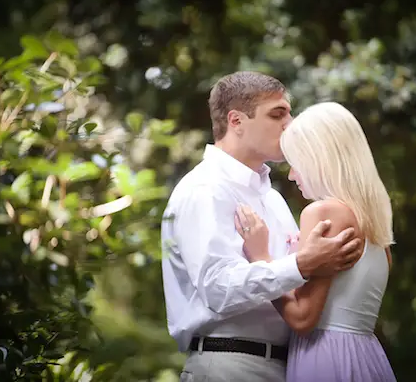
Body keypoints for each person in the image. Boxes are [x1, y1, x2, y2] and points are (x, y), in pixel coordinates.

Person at [161, 72, 364, 382]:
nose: (290, 124)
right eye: (277, 114)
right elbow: (218, 289)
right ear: (236, 121)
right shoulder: (205, 188)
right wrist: (302, 263)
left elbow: (294, 291)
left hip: (287, 366)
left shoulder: (272, 200)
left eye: (289, 112)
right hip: (230, 366)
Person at [235, 102, 397, 381]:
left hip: (327, 358)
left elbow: (302, 318)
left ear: (319, 159)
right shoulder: (375, 223)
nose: (291, 175)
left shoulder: (322, 212)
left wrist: (261, 256)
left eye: (296, 164)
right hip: (367, 357)